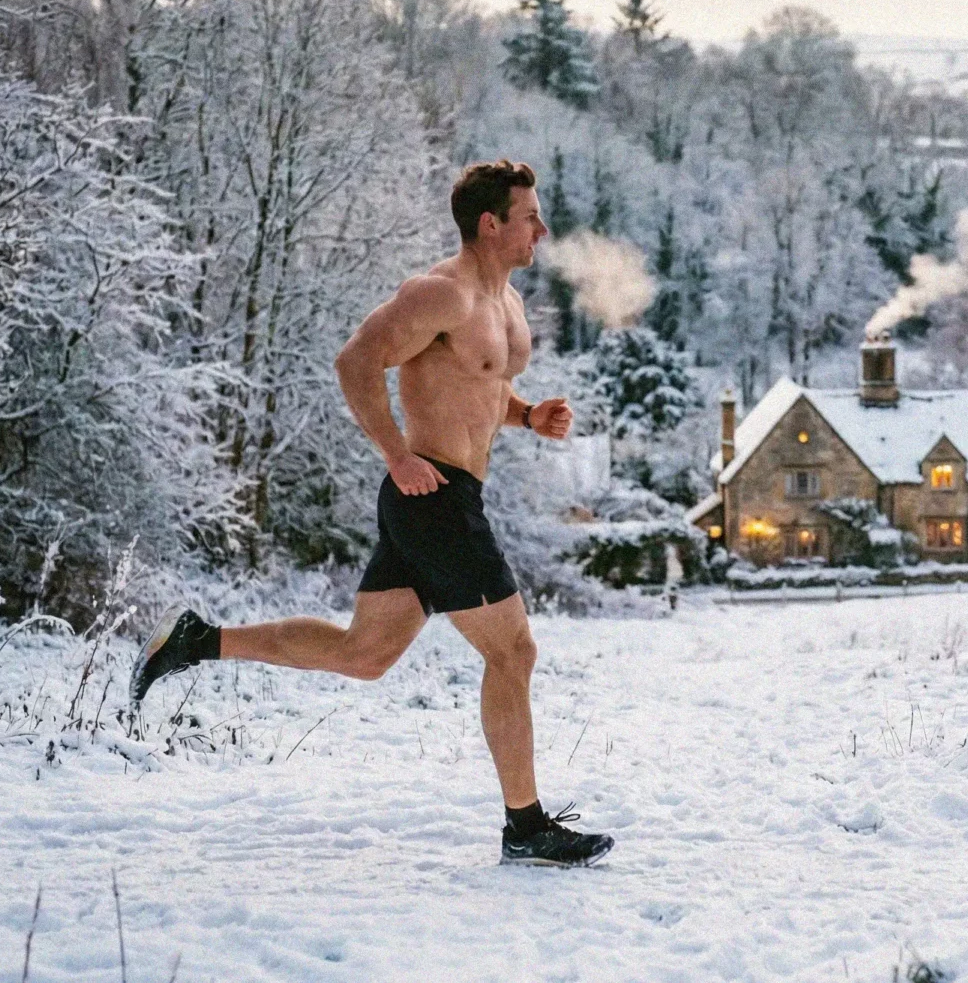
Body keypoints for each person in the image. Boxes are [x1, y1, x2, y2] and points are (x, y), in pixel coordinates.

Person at [130, 160, 613, 868]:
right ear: (491, 224)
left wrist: (527, 414)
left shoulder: (505, 302)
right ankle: (526, 825)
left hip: (445, 498)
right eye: (530, 216)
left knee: (365, 654)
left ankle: (196, 640)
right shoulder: (441, 294)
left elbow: (476, 389)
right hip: (433, 497)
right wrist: (396, 454)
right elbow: (355, 361)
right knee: (514, 652)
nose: (541, 228)